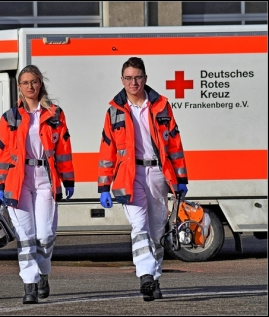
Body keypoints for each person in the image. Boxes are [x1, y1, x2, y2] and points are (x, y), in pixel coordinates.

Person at [97, 57, 188, 302]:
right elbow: (107, 150)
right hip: (129, 175)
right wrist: (104, 185)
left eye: (137, 77)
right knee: (139, 227)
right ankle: (145, 275)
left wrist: (181, 178)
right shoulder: (115, 110)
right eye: (128, 78)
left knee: (157, 229)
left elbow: (174, 144)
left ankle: (154, 278)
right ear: (122, 80)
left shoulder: (160, 106)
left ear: (145, 78)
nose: (133, 82)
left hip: (158, 173)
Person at [0, 65, 75, 304]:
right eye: (25, 83)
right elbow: (0, 153)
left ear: (41, 84)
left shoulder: (55, 114)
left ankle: (43, 273)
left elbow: (63, 149)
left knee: (46, 235)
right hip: (18, 180)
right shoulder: (10, 117)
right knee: (25, 236)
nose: (30, 86)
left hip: (45, 178)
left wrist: (68, 179)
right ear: (19, 87)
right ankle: (30, 284)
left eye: (34, 82)